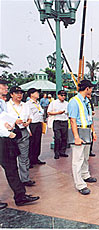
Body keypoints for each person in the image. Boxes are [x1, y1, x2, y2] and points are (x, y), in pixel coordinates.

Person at [0, 79, 40, 207]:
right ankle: (20, 195)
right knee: (11, 167)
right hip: (5, 137)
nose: (6, 87)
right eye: (3, 85)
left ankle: (20, 196)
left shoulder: (2, 102)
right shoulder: (5, 103)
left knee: (12, 167)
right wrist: (7, 133)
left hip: (7, 138)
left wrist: (9, 126)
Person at [68, 80, 98, 195]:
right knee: (78, 159)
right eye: (91, 88)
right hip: (79, 130)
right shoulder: (74, 101)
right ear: (87, 89)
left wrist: (93, 131)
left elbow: (89, 117)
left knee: (85, 156)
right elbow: (73, 120)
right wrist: (76, 137)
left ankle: (85, 175)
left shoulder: (87, 101)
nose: (92, 90)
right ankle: (79, 184)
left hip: (87, 130)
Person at [7, 86, 35, 186]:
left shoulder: (25, 105)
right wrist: (14, 121)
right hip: (11, 134)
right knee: (11, 158)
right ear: (11, 94)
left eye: (21, 93)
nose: (19, 95)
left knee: (24, 157)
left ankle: (25, 179)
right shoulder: (6, 106)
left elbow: (30, 116)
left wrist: (28, 122)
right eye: (16, 93)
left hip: (23, 132)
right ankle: (15, 182)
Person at [26, 88, 46, 167]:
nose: (38, 93)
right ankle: (29, 160)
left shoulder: (38, 103)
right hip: (32, 124)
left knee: (38, 141)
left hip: (39, 124)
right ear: (31, 94)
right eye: (36, 92)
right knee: (31, 142)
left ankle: (36, 158)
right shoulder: (28, 104)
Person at [47, 90, 69, 159]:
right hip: (57, 122)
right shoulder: (54, 103)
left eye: (64, 95)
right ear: (58, 95)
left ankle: (62, 151)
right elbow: (49, 112)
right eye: (62, 95)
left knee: (64, 138)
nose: (63, 97)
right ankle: (56, 152)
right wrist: (57, 113)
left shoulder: (67, 103)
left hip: (64, 121)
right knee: (57, 138)